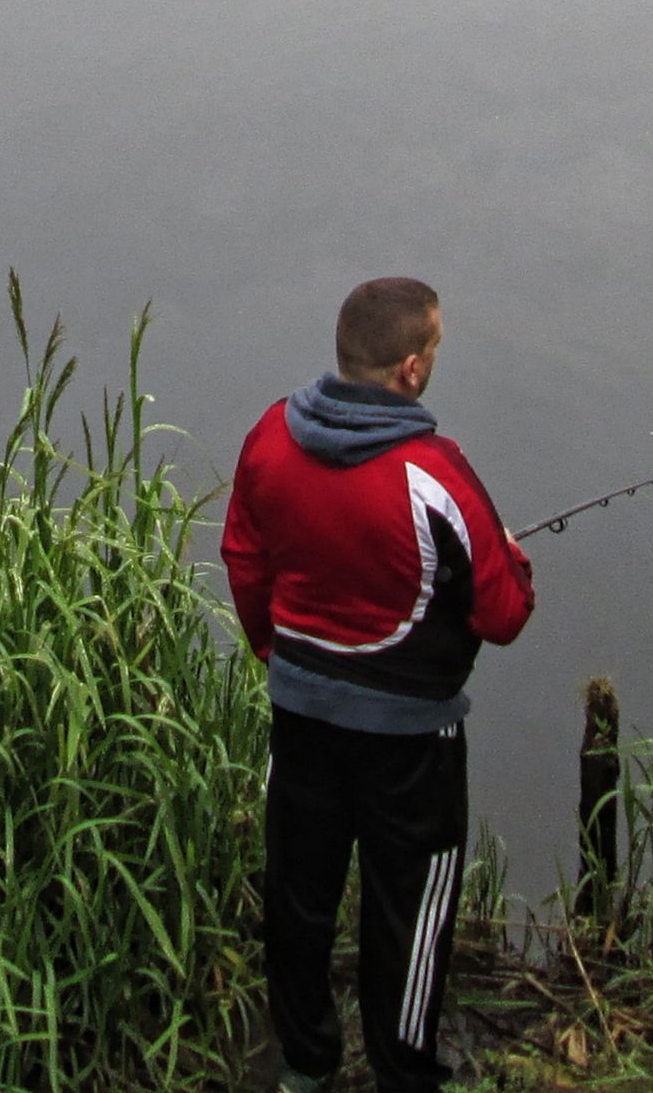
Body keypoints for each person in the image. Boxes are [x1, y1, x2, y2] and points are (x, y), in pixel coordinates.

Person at [221, 276, 533, 1093]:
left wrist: (275, 654)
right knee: (409, 911)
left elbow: (244, 557)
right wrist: (511, 554)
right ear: (411, 369)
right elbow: (503, 613)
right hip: (412, 741)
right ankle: (403, 1074)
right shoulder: (436, 474)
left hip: (302, 716)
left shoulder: (270, 437)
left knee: (300, 896)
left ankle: (304, 1065)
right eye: (434, 346)